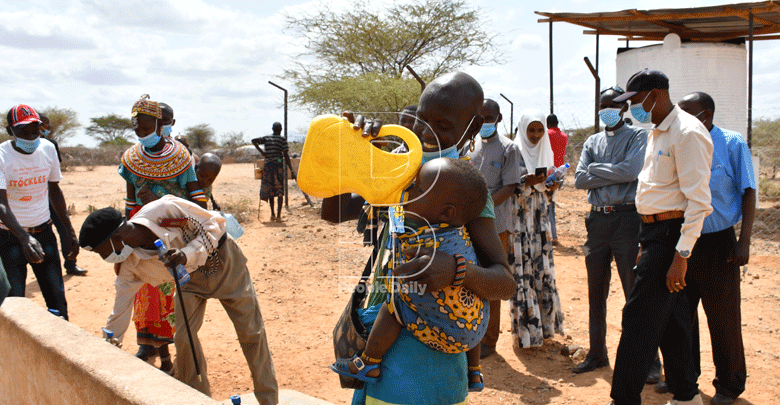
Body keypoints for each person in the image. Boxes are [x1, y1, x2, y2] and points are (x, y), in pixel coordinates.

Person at [323, 71, 515, 405]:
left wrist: (459, 271)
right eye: (422, 121)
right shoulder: (397, 172)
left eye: (443, 126)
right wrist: (353, 152)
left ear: (471, 130)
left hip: (435, 368)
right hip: (382, 353)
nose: (426, 134)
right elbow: (334, 211)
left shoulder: (467, 191)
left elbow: (504, 283)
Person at [79, 196, 278, 405]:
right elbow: (120, 310)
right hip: (189, 283)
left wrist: (186, 254)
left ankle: (268, 400)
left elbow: (215, 225)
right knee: (184, 339)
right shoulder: (129, 267)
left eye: (103, 252)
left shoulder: (164, 210)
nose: (105, 259)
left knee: (251, 334)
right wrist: (108, 345)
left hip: (225, 264)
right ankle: (199, 398)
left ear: (116, 238)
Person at [331, 158, 490, 392]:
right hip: (474, 330)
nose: (409, 192)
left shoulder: (417, 232)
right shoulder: (459, 231)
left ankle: (369, 362)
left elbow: (394, 221)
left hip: (442, 332)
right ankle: (474, 371)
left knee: (395, 303)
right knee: (477, 297)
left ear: (446, 211)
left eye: (417, 189)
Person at [607, 69, 713, 405]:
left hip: (672, 236)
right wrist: (645, 242)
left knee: (638, 319)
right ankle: (685, 395)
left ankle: (623, 399)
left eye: (635, 101)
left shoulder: (686, 133)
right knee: (673, 320)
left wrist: (680, 257)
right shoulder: (657, 131)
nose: (631, 108)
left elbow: (699, 202)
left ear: (655, 94)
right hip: (654, 234)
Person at [672, 91, 755, 405]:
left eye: (687, 112)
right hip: (683, 245)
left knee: (723, 319)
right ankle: (685, 379)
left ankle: (728, 386)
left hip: (720, 245)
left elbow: (748, 192)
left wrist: (744, 241)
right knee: (681, 316)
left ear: (706, 114)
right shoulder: (679, 144)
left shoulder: (732, 144)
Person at [119, 96, 203, 371]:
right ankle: (153, 349)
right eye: (138, 129)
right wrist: (124, 245)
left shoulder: (181, 158)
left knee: (172, 296)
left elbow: (198, 203)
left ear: (159, 124)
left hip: (174, 239)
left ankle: (177, 359)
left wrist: (158, 198)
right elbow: (130, 205)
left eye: (147, 127)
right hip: (140, 239)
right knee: (145, 293)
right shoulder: (131, 160)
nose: (142, 133)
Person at [573, 87, 648, 374]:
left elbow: (632, 171)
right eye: (603, 105)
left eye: (613, 105)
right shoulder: (593, 141)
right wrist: (612, 169)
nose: (607, 110)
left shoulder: (639, 136)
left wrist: (597, 170)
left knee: (634, 292)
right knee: (596, 293)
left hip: (627, 221)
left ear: (625, 108)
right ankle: (597, 354)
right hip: (598, 222)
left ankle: (647, 360)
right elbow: (579, 179)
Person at [0, 104, 78, 320]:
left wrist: (69, 232)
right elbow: (1, 204)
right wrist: (24, 238)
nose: (31, 136)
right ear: (10, 131)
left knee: (57, 301)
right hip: (9, 237)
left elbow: (54, 190)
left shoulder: (47, 148)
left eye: (35, 130)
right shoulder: (2, 155)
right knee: (13, 305)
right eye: (23, 132)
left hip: (44, 233)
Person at [466, 98, 522, 358]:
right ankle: (471, 332)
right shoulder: (470, 146)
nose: (484, 122)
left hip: (495, 223)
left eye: (489, 118)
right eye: (481, 118)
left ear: (499, 119)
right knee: (470, 277)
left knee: (493, 278)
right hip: (468, 220)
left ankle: (489, 340)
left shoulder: (509, 149)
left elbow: (509, 187)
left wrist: (481, 205)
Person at [511, 109, 565, 348]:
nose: (535, 134)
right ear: (523, 130)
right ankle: (525, 335)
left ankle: (545, 329)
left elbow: (549, 193)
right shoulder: (513, 152)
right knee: (521, 275)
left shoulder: (546, 152)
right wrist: (525, 183)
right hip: (519, 221)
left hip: (540, 221)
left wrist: (553, 184)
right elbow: (507, 185)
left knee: (542, 271)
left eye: (539, 129)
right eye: (531, 130)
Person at [39, 114, 88, 276]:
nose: (46, 129)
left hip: (51, 196)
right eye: (43, 125)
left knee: (65, 229)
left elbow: (53, 177)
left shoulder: (50, 145)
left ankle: (71, 264)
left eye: (47, 125)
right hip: (33, 199)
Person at [252, 122, 294, 222]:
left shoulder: (266, 138)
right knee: (279, 190)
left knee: (271, 190)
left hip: (268, 167)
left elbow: (253, 141)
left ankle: (272, 214)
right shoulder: (282, 139)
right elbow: (286, 155)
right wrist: (291, 168)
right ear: (281, 129)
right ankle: (279, 216)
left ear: (272, 129)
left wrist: (262, 152)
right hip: (278, 167)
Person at [546, 114, 568, 245]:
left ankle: (552, 235)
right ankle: (552, 234)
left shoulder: (547, 135)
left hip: (549, 175)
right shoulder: (564, 136)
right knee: (551, 204)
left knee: (547, 206)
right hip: (560, 174)